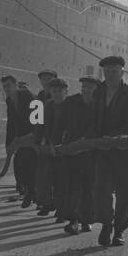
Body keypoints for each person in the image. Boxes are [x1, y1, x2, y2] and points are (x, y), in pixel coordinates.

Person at [92, 56, 128, 248]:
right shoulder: (98, 93)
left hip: (125, 153)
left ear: (122, 72)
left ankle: (119, 229)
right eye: (107, 71)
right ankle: (106, 223)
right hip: (103, 151)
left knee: (125, 192)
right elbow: (92, 121)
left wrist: (112, 136)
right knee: (100, 189)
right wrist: (86, 138)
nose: (110, 75)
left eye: (114, 71)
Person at [49, 78, 91, 234]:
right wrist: (51, 142)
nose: (56, 94)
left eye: (60, 91)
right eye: (53, 91)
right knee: (71, 186)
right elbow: (56, 124)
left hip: (89, 152)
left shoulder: (99, 103)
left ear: (66, 91)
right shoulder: (43, 103)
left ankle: (86, 219)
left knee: (87, 187)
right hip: (68, 151)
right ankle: (72, 220)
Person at [1, 75, 36, 208]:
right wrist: (8, 144)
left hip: (34, 134)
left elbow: (39, 115)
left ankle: (31, 193)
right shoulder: (9, 100)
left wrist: (34, 135)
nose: (7, 89)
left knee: (30, 163)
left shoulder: (28, 95)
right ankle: (27, 191)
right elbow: (11, 123)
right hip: (22, 136)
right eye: (4, 87)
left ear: (15, 85)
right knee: (19, 164)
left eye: (9, 86)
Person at [32, 69, 58, 216]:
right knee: (43, 175)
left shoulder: (61, 96)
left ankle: (57, 204)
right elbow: (35, 121)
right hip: (43, 141)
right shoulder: (39, 97)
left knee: (57, 175)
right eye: (43, 79)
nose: (46, 81)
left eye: (49, 78)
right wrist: (36, 140)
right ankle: (46, 203)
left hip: (57, 141)